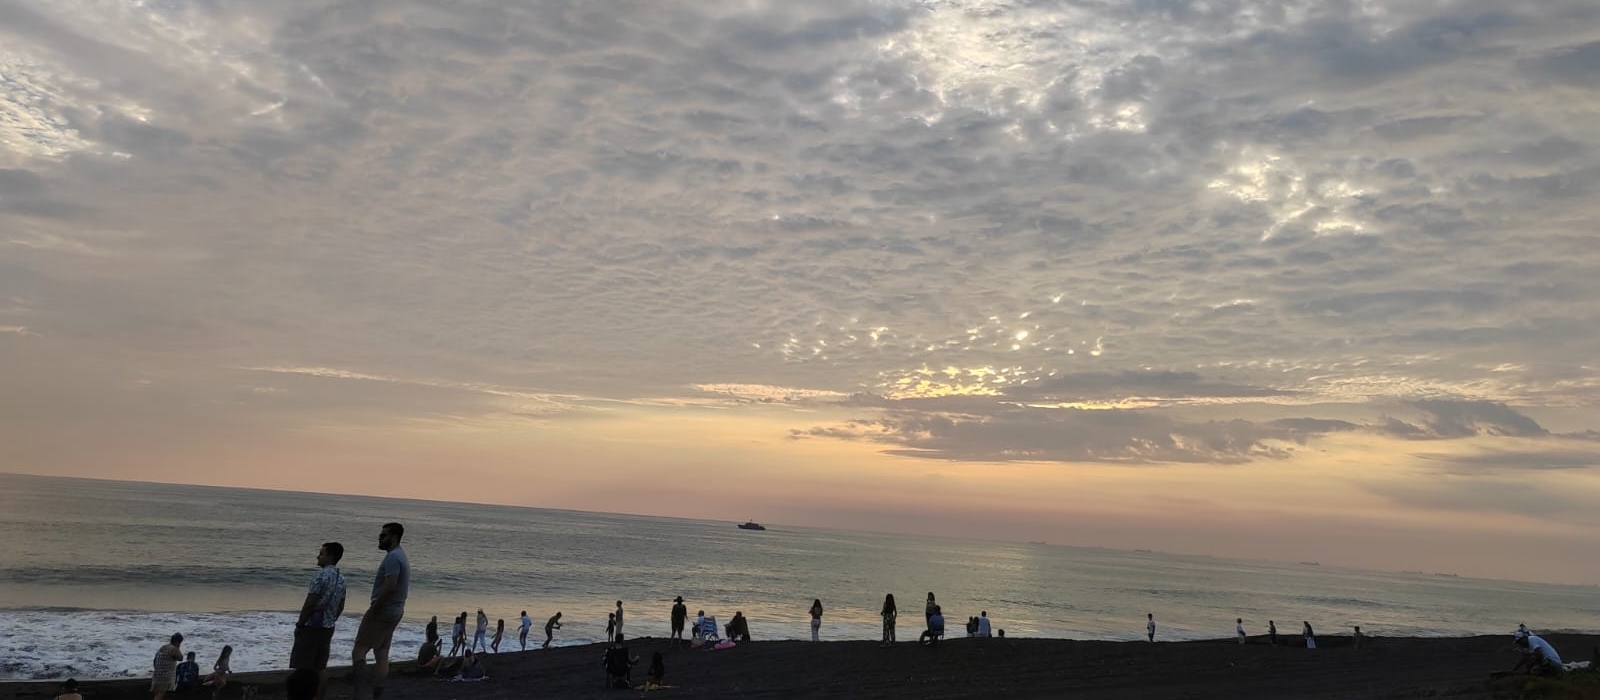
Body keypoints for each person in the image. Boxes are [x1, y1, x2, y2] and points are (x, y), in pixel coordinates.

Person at [352, 522, 409, 700]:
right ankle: (377, 694)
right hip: (395, 611)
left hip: (383, 611)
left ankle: (359, 694)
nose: (379, 538)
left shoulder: (393, 557)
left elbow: (390, 585)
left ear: (393, 537)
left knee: (359, 651)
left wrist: (375, 608)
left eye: (383, 535)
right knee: (381, 652)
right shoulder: (401, 555)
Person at [291, 541, 346, 700]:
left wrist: (301, 623)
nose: (318, 556)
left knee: (302, 667)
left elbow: (310, 602)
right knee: (321, 667)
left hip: (311, 627)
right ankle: (319, 696)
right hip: (328, 627)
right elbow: (341, 605)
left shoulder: (320, 576)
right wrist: (331, 619)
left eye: (321, 553)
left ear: (330, 556)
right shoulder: (341, 578)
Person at [152, 633, 184, 700]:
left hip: (157, 674)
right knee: (160, 694)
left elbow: (154, 660)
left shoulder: (163, 647)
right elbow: (181, 658)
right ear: (178, 642)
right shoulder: (174, 648)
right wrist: (178, 647)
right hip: (165, 676)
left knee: (157, 693)